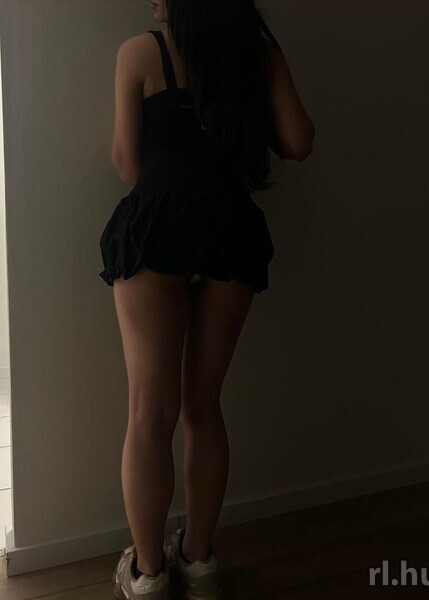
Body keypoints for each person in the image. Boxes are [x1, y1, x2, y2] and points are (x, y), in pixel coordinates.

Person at [101, 1, 315, 598]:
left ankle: (147, 574)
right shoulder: (256, 54)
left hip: (160, 223)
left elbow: (127, 165)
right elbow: (299, 142)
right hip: (229, 227)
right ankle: (198, 561)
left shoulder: (140, 52)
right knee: (202, 407)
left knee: (150, 415)